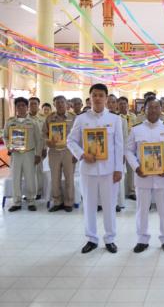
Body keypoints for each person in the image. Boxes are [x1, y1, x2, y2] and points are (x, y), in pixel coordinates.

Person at [67, 83, 124, 254]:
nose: (98, 98)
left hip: (109, 171)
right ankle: (91, 238)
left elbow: (119, 146)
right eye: (95, 95)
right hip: (88, 170)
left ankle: (110, 239)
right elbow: (71, 141)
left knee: (109, 205)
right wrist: (82, 154)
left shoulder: (115, 119)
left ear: (106, 99)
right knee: (89, 206)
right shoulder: (82, 119)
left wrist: (118, 169)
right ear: (90, 98)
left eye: (101, 95)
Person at [125, 97, 164, 253]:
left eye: (156, 107)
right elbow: (128, 150)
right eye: (150, 107)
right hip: (143, 177)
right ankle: (142, 239)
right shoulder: (136, 129)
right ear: (145, 110)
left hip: (163, 176)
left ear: (161, 110)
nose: (153, 110)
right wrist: (136, 167)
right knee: (142, 209)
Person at [4, 97, 42, 212]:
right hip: (16, 154)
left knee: (30, 178)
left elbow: (38, 139)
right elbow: (5, 136)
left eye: (23, 106)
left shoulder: (33, 122)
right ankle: (16, 202)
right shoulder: (10, 122)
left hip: (29, 153)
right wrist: (9, 145)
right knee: (16, 178)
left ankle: (31, 200)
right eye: (18, 106)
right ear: (15, 108)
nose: (21, 108)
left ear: (27, 107)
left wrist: (38, 154)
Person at [44, 95, 77, 212]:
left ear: (66, 103)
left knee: (69, 177)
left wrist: (76, 154)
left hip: (69, 151)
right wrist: (48, 141)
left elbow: (79, 135)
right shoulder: (49, 118)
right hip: (54, 151)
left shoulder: (74, 117)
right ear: (54, 105)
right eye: (57, 103)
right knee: (55, 177)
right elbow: (44, 134)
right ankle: (57, 201)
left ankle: (69, 202)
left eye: (62, 102)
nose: (60, 105)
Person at [106, 94, 128, 212]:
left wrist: (123, 153)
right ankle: (103, 202)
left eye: (113, 102)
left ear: (116, 105)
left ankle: (117, 202)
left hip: (117, 152)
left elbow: (125, 137)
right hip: (104, 154)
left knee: (118, 178)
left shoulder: (122, 119)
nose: (111, 104)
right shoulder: (101, 118)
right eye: (108, 102)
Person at [118, 96, 137, 201]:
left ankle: (131, 191)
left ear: (127, 105)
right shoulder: (116, 118)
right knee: (119, 169)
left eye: (124, 103)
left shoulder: (133, 117)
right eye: (120, 104)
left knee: (132, 170)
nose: (123, 105)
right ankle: (119, 192)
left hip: (132, 147)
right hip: (120, 146)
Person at [28, 97, 46, 199]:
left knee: (39, 170)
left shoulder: (43, 118)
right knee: (28, 171)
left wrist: (44, 148)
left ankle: (39, 192)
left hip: (40, 148)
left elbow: (45, 135)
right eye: (31, 104)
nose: (33, 106)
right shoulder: (25, 118)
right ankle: (30, 192)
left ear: (39, 105)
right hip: (28, 148)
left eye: (35, 104)